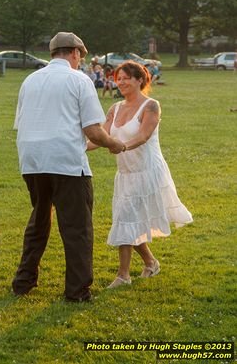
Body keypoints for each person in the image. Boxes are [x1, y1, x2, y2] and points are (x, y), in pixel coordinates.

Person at [12, 32, 125, 301]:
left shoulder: (30, 80)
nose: (81, 61)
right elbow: (93, 131)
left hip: (31, 160)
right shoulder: (79, 80)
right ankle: (77, 291)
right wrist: (114, 144)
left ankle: (23, 282)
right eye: (81, 56)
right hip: (65, 161)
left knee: (39, 221)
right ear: (74, 52)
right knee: (77, 228)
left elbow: (21, 122)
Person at [87, 61, 193, 288]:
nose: (121, 82)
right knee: (128, 219)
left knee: (126, 217)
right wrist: (77, 148)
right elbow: (100, 137)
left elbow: (144, 136)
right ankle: (150, 262)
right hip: (125, 173)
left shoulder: (151, 106)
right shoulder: (114, 108)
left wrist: (121, 146)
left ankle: (123, 276)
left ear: (139, 80)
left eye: (126, 77)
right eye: (118, 78)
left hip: (147, 172)